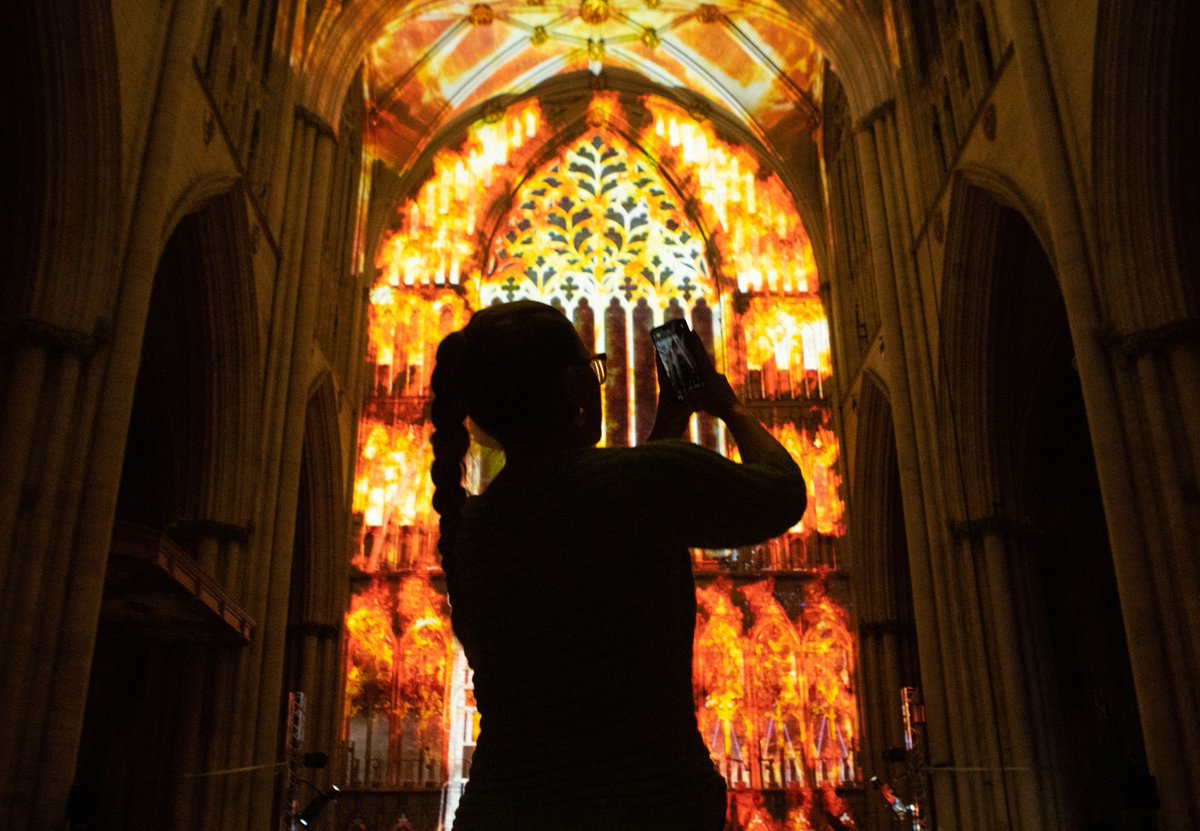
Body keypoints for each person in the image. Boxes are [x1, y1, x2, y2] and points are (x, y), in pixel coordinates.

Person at [429, 300, 807, 830]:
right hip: (645, 806)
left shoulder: (473, 526)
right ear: (572, 387)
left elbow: (602, 530)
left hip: (506, 809)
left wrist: (668, 428)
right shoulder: (641, 483)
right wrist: (729, 408)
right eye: (594, 370)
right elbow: (783, 492)